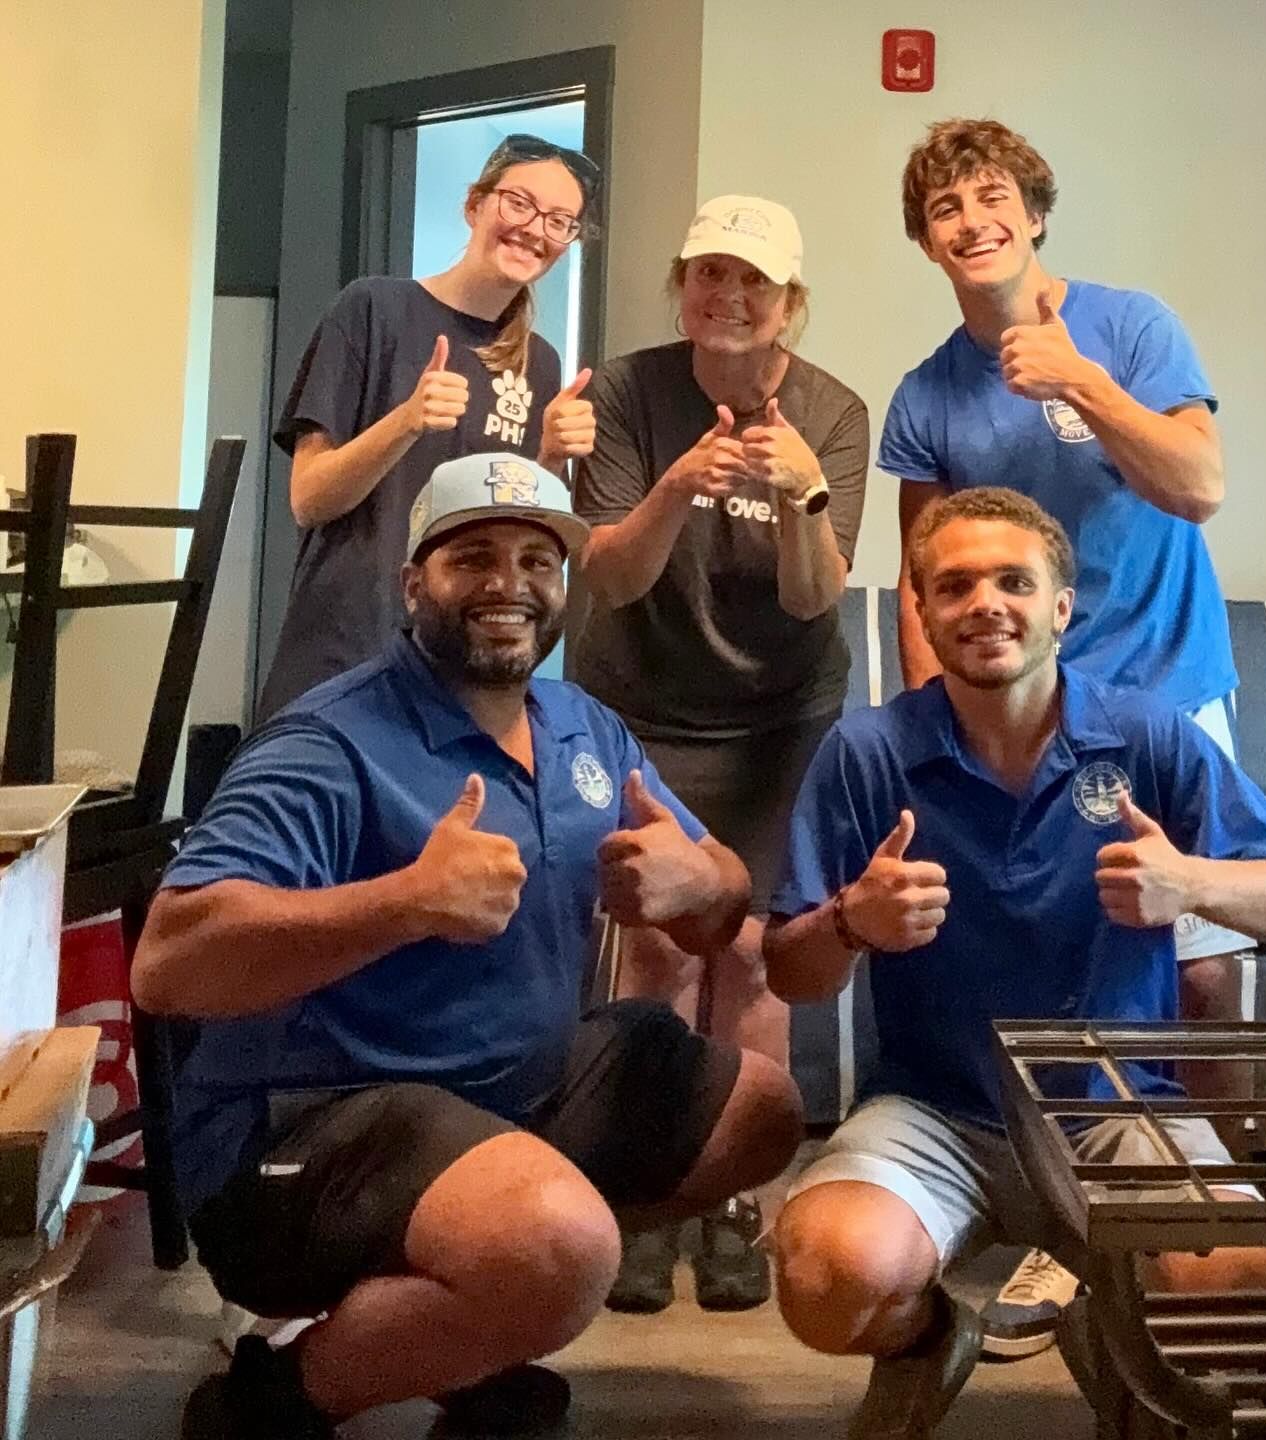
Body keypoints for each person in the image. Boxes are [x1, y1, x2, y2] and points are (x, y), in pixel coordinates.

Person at [132, 453, 804, 1439]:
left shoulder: (585, 728)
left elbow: (717, 902)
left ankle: (466, 1319)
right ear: (414, 584)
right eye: (473, 557)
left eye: (539, 560)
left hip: (500, 1086)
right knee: (559, 1246)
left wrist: (707, 884)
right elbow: (167, 963)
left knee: (761, 1114)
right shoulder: (326, 742)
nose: (510, 584)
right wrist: (403, 903)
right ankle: (275, 1399)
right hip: (309, 1120)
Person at [764, 488, 1266, 1439]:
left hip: (1119, 1100)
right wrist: (852, 923)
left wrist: (1190, 883)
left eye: (1013, 581)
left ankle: (1104, 1321)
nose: (985, 602)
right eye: (953, 586)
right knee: (828, 1277)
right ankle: (928, 1342)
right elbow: (792, 974)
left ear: (1061, 608)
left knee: (1240, 1276)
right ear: (923, 610)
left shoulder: (1146, 734)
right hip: (937, 1109)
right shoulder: (869, 750)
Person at [880, 116, 1249, 1355]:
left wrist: (1081, 383)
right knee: (1048, 977)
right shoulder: (928, 393)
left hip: (1168, 700)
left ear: (1034, 212)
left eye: (991, 196)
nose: (972, 219)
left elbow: (1199, 486)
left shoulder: (1132, 327)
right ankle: (1057, 1220)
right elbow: (917, 575)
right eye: (945, 208)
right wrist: (930, 727)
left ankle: (1188, 1240)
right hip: (1022, 726)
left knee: (1199, 970)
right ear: (927, 242)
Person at [570, 195, 868, 1311]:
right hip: (643, 705)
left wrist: (801, 492)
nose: (727, 298)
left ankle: (738, 1197)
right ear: (682, 287)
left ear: (790, 302)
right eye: (708, 275)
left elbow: (811, 599)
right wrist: (676, 487)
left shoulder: (835, 410)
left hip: (777, 721)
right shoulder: (625, 393)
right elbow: (606, 578)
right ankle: (649, 1190)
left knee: (748, 953)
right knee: (657, 950)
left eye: (753, 282)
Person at [257, 132, 601, 720]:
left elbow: (514, 533)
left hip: (460, 668)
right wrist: (408, 420)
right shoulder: (372, 310)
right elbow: (309, 499)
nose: (535, 228)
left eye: (560, 220)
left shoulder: (538, 362)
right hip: (347, 656)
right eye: (519, 203)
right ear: (475, 205)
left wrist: (549, 459)